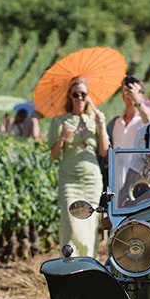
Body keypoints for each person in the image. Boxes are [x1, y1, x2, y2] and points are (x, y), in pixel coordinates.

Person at [47, 77, 109, 255]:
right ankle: (70, 260)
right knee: (71, 222)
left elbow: (104, 151)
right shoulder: (60, 120)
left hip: (91, 180)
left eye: (83, 94)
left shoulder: (94, 119)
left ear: (88, 96)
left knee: (90, 222)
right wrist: (62, 138)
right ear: (70, 96)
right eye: (76, 94)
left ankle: (88, 260)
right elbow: (54, 155)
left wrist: (101, 125)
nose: (79, 98)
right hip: (69, 179)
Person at [110, 75, 150, 187]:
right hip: (117, 182)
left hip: (137, 181)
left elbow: (149, 121)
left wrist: (137, 100)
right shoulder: (117, 122)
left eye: (137, 92)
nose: (131, 95)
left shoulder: (147, 116)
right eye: (128, 91)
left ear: (142, 96)